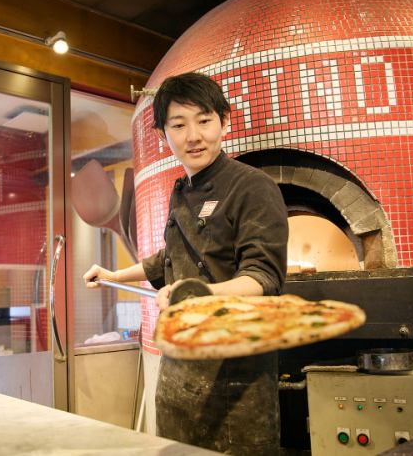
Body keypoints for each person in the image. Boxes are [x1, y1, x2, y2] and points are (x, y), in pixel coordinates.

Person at [84, 72, 288, 455]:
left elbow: (264, 277)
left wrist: (194, 294)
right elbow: (169, 258)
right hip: (178, 370)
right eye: (178, 125)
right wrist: (114, 274)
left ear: (224, 122)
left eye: (204, 120)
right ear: (164, 135)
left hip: (235, 375)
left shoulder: (252, 187)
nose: (193, 136)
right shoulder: (181, 191)